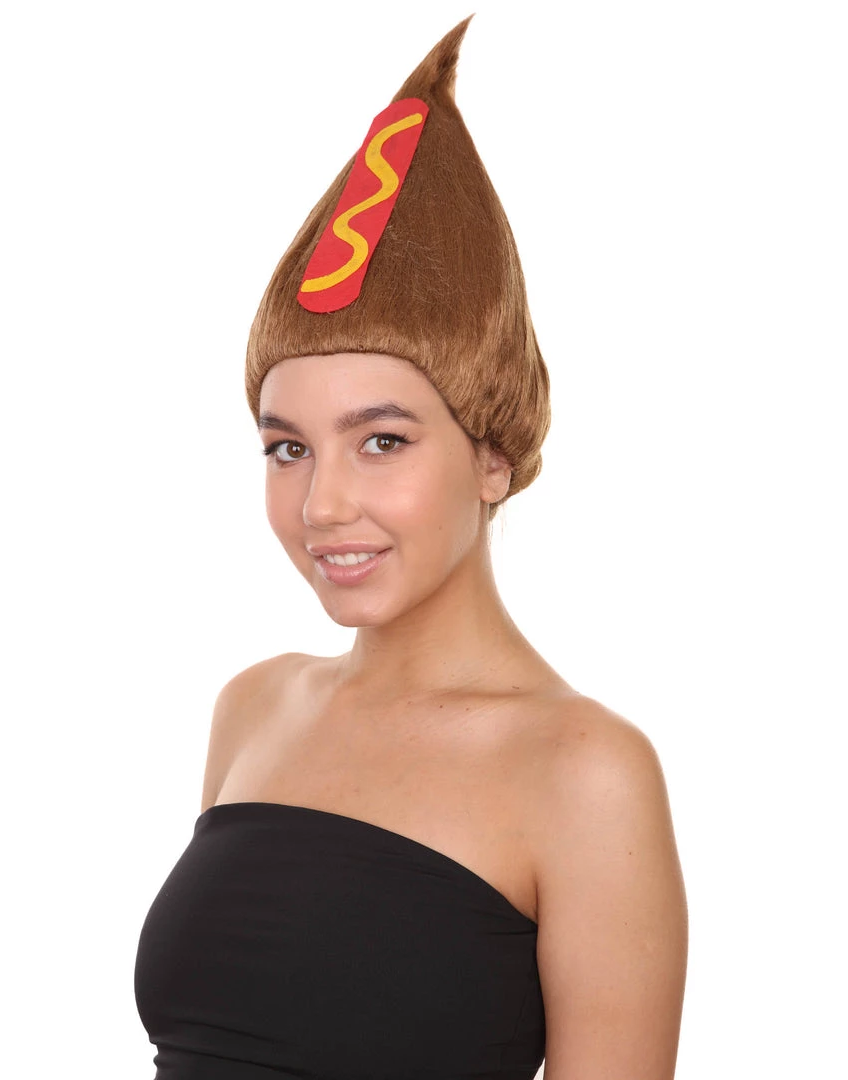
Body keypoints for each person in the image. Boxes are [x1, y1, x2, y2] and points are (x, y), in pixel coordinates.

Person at [134, 16, 688, 1080]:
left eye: (381, 440)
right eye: (287, 448)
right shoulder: (255, 706)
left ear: (493, 459)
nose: (322, 502)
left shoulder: (583, 771)